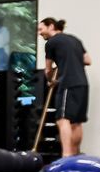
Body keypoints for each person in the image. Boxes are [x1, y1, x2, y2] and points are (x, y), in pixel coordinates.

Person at [38, 17, 92, 156]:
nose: (39, 33)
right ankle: (75, 155)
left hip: (68, 83)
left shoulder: (51, 43)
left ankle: (66, 156)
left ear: (51, 26)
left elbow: (48, 70)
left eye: (41, 29)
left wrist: (50, 81)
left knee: (63, 120)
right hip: (83, 83)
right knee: (77, 122)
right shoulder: (75, 40)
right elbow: (88, 60)